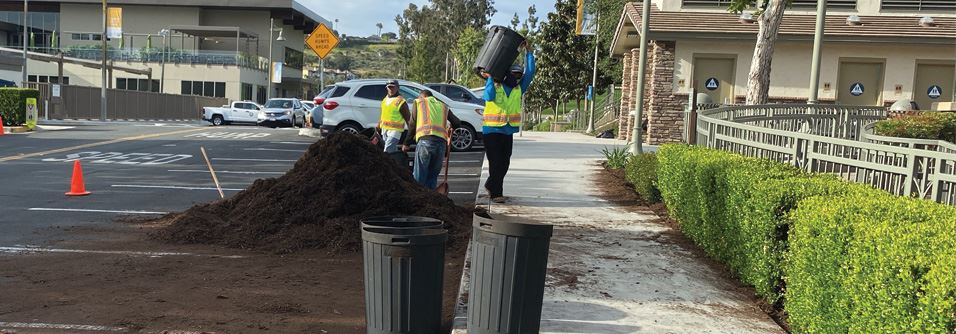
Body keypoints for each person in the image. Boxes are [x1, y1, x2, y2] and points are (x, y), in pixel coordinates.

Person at [479, 41, 535, 203]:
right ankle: (496, 193)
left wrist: (528, 52)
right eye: (515, 75)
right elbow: (488, 97)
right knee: (496, 163)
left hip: (507, 130)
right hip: (491, 130)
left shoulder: (518, 88)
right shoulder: (496, 86)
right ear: (508, 75)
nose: (517, 78)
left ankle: (491, 184)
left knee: (504, 163)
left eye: (519, 76)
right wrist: (490, 79)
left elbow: (530, 72)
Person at [402, 90, 461, 190]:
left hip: (425, 142)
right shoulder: (443, 106)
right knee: (432, 176)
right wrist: (451, 126)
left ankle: (419, 199)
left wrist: (406, 143)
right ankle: (431, 200)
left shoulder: (419, 102)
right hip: (441, 145)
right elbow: (457, 122)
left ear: (423, 96)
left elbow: (412, 124)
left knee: (419, 176)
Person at [376, 80, 412, 163]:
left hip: (395, 131)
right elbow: (383, 114)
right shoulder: (385, 100)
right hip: (384, 129)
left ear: (398, 88)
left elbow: (408, 119)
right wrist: (378, 126)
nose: (391, 89)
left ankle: (384, 168)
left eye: (393, 87)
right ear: (386, 88)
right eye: (389, 87)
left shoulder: (401, 101)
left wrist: (410, 135)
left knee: (387, 150)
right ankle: (397, 167)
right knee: (392, 152)